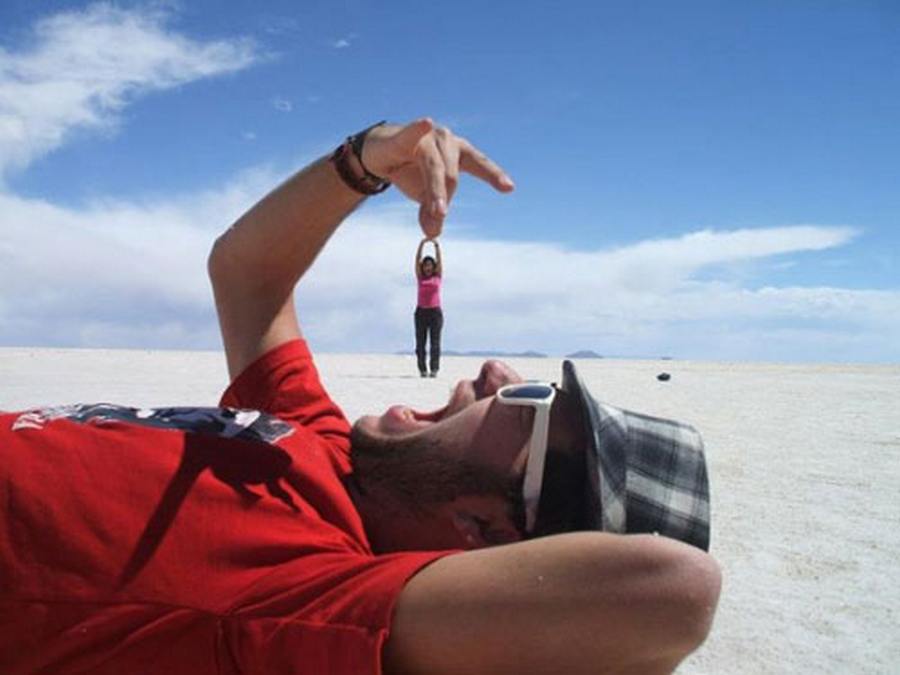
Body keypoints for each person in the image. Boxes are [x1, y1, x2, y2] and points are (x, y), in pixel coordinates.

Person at [0, 118, 721, 674]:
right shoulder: (325, 445)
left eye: (532, 402)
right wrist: (364, 162)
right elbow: (247, 273)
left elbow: (673, 594)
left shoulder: (312, 590)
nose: (496, 372)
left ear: (489, 529)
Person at [414, 236, 443, 377]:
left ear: (433, 267)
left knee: (435, 343)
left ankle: (434, 369)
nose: (428, 267)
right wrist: (422, 244)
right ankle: (422, 369)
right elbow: (416, 261)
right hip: (421, 312)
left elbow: (440, 262)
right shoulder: (420, 277)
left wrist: (436, 246)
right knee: (420, 343)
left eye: (430, 265)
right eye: (426, 265)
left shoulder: (437, 277)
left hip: (435, 313)